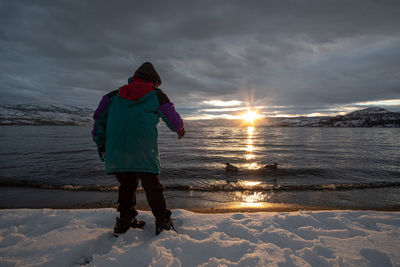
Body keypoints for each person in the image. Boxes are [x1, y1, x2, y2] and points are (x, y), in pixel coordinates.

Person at [92, 62, 185, 235]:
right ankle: (163, 221)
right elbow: (173, 120)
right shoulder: (156, 95)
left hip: (117, 152)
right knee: (152, 186)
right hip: (144, 151)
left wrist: (101, 144)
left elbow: (99, 122)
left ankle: (125, 222)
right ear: (155, 81)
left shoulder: (112, 96)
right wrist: (180, 130)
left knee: (126, 185)